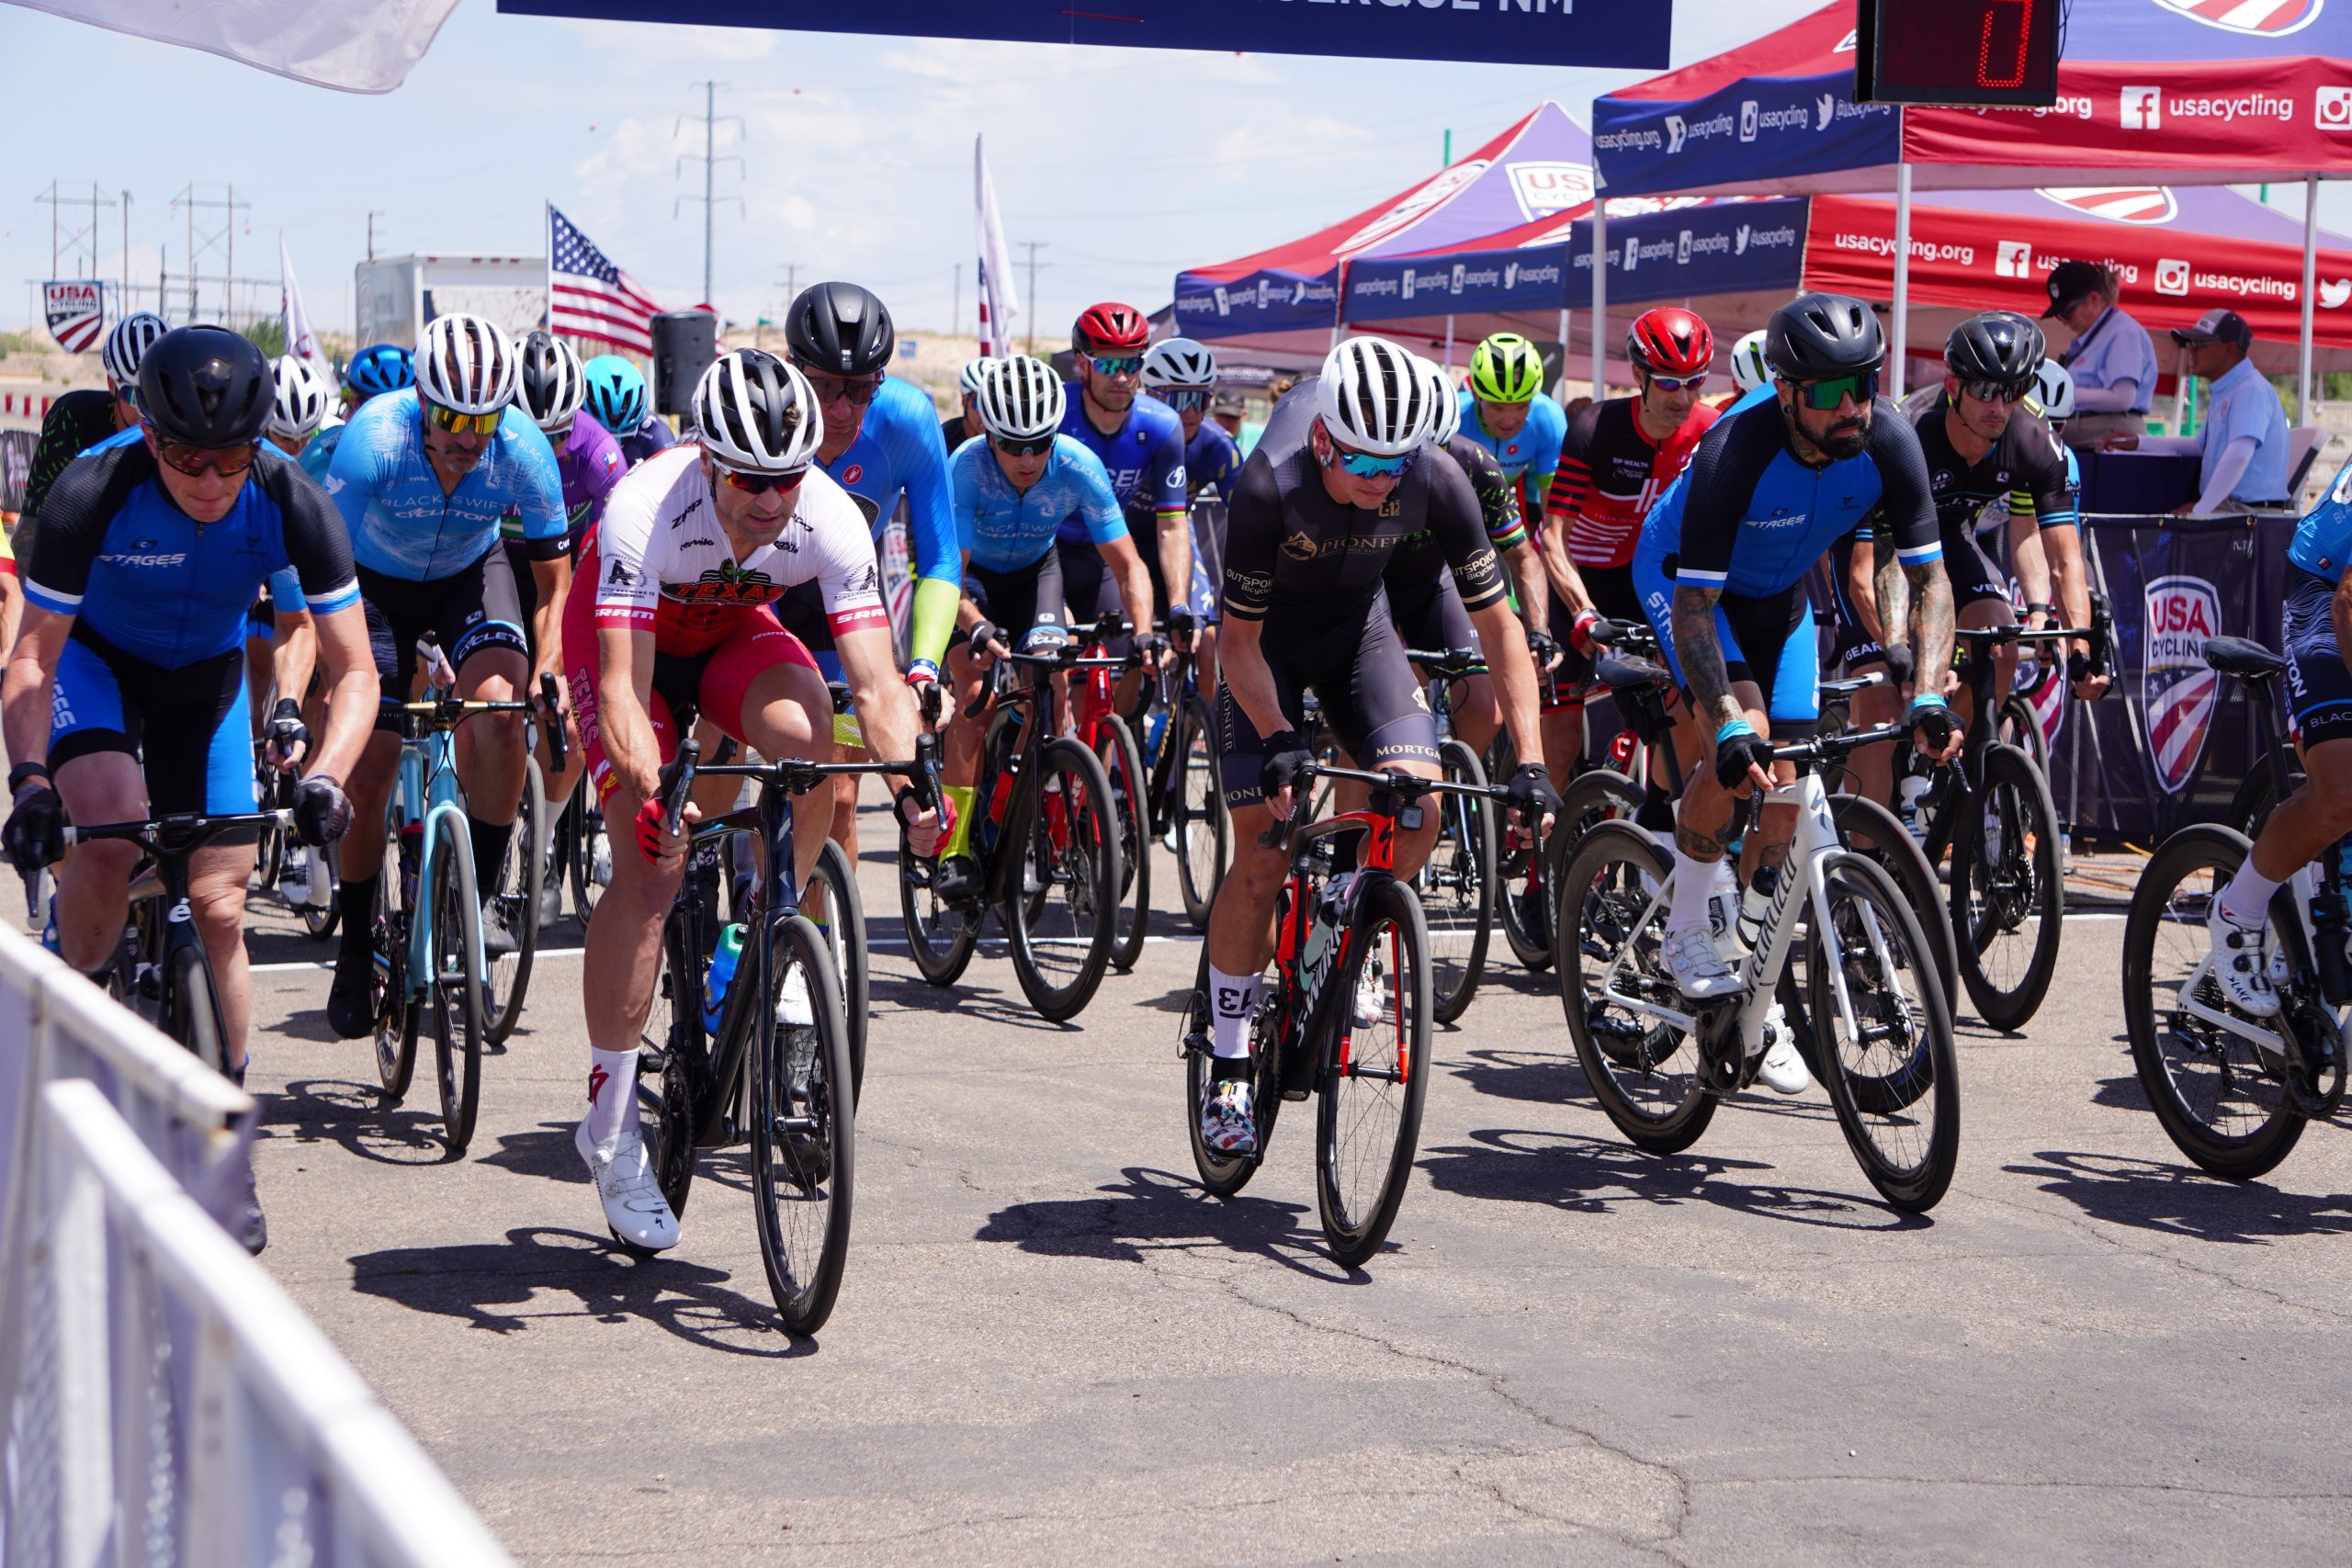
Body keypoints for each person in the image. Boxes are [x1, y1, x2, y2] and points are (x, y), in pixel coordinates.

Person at [1, 326, 379, 1250]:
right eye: (185, 458)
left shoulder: (291, 497)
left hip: (204, 678)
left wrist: (327, 775)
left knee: (219, 905)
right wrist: (30, 782)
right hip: (95, 665)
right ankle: (76, 1032)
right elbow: (31, 659)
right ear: (149, 435)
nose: (210, 480)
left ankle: (225, 1140)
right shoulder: (92, 488)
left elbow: (355, 669)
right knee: (112, 828)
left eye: (230, 459)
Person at [563, 349, 942, 1250]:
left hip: (728, 636)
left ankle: (766, 928)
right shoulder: (642, 508)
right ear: (706, 460)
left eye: (787, 478)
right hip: (629, 658)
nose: (771, 501)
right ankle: (610, 1131)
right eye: (748, 480)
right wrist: (651, 793)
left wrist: (915, 786)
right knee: (652, 872)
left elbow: (876, 686)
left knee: (815, 740)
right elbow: (621, 691)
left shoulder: (830, 516)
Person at [1198, 337, 1560, 1156]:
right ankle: (1229, 1060)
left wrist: (1532, 761)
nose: (1380, 478)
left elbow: (1501, 629)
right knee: (1262, 854)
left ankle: (1346, 914)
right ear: (1324, 437)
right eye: (1362, 459)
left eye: (1395, 462)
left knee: (1419, 810)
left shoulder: (1435, 475)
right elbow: (1238, 644)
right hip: (1267, 650)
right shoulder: (1270, 482)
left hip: (1359, 634)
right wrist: (1279, 735)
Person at [1632, 293, 1962, 1091]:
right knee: (1741, 741)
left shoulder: (1888, 439)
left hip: (1780, 597)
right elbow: (1695, 608)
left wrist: (1925, 692)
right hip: (1688, 585)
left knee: (1790, 782)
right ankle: (1685, 926)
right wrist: (1726, 723)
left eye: (1864, 385)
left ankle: (1754, 974)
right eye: (1829, 391)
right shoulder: (1735, 449)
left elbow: (1930, 579)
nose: (1851, 407)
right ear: (1785, 391)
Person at [321, 314, 571, 1038]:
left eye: (483, 421)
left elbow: (553, 586)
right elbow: (323, 570)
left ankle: (477, 899)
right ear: (423, 402)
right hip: (371, 584)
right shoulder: (374, 438)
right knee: (369, 766)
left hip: (469, 573)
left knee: (502, 717)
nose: (469, 438)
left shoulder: (522, 449)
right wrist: (336, 674)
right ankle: (356, 941)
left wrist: (546, 670)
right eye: (453, 419)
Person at [1833, 312, 2091, 809]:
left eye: (2011, 391)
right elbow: (1868, 573)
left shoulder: (2035, 442)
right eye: (1985, 391)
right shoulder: (1906, 437)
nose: (1999, 406)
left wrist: (2079, 645)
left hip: (1946, 534)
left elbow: (2064, 557)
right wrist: (1908, 660)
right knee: (1884, 705)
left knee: (2001, 649)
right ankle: (1869, 848)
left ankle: (1944, 780)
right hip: (1876, 549)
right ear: (1953, 386)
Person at [930, 356, 1158, 904]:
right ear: (990, 435)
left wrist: (1145, 635)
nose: (1028, 459)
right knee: (975, 700)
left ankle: (1023, 794)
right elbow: (947, 576)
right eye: (1013, 445)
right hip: (970, 582)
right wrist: (976, 626)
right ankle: (953, 849)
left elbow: (1129, 565)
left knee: (1051, 687)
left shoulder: (1077, 464)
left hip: (1037, 574)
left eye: (1040, 444)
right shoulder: (965, 467)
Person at [778, 282, 960, 863]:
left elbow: (941, 558)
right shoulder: (762, 412)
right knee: (730, 777)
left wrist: (925, 666)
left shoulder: (907, 419)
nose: (841, 409)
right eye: (824, 387)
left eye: (860, 389)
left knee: (837, 800)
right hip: (757, 605)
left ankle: (812, 919)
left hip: (842, 612)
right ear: (793, 369)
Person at [1540, 307, 1722, 785]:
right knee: (1561, 739)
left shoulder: (1709, 429)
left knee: (1679, 709)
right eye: (1668, 382)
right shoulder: (1595, 429)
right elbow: (1553, 538)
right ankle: (1536, 824)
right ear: (1639, 376)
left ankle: (1645, 811)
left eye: (1695, 382)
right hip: (1577, 578)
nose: (1683, 397)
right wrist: (1582, 611)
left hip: (1643, 579)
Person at [1383, 356, 1552, 759]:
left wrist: (1539, 632)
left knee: (1485, 708)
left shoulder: (1476, 464)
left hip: (1434, 583)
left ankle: (1443, 784)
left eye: (1439, 451)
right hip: (1371, 587)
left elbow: (1522, 557)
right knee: (1380, 721)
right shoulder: (1368, 469)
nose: (1427, 467)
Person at [512, 331, 624, 918]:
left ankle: (545, 835)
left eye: (558, 437)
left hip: (574, 572)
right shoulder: (490, 446)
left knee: (573, 717)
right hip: (501, 567)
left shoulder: (600, 453)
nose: (548, 451)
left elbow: (621, 552)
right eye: (535, 436)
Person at [1056, 302, 1184, 682]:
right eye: (1109, 364)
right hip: (1046, 551)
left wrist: (1178, 605)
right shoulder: (1055, 413)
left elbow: (1172, 525)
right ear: (1082, 364)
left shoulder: (1161, 424)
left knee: (1135, 662)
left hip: (1106, 554)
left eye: (1132, 363)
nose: (1123, 377)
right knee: (1058, 666)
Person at [2105, 309, 2292, 515]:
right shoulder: (2230, 388)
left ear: (2229, 348)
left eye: (2201, 344)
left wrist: (2199, 512)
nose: (2191, 351)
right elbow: (2199, 446)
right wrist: (2139, 442)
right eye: (2190, 344)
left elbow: (2239, 454)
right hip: (2236, 510)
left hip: (2247, 514)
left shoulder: (2250, 389)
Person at [14, 312, 168, 562]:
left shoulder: (181, 427)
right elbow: (34, 523)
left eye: (158, 395)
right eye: (134, 395)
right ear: (112, 385)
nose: (145, 409)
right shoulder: (72, 418)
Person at [1142, 335, 1239, 686]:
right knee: (1131, 651)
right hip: (1123, 541)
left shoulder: (1218, 446)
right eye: (1180, 399)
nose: (1192, 412)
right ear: (1150, 395)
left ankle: (1198, 719)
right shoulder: (1130, 435)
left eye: (1201, 400)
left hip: (1177, 538)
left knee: (1206, 640)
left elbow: (1249, 518)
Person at [2041, 260, 2159, 449]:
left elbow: (2123, 398)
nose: (2063, 321)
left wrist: (2063, 394)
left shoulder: (2123, 333)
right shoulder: (2094, 335)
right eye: (2059, 315)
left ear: (2094, 299)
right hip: (2090, 429)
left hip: (2107, 431)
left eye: (2068, 312)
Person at [1458, 332, 1567, 535]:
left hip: (1512, 499)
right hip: (1456, 499)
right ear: (1475, 395)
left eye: (1521, 406)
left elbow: (1553, 520)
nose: (1509, 420)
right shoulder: (1453, 418)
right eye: (1497, 407)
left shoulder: (1549, 418)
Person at [582, 354, 676, 468]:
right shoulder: (573, 423)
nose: (612, 445)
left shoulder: (656, 433)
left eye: (622, 439)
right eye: (601, 434)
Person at [943, 358, 988, 452]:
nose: (987, 414)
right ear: (964, 400)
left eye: (994, 406)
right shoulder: (944, 439)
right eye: (980, 404)